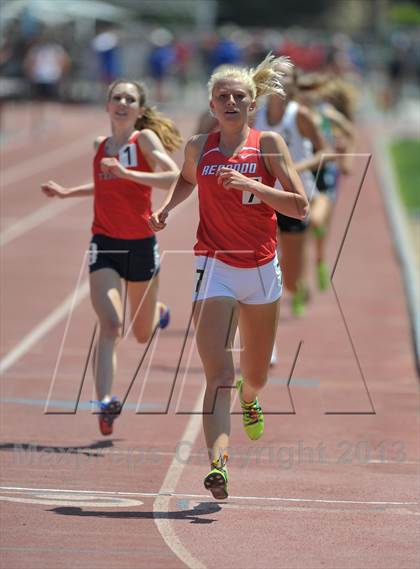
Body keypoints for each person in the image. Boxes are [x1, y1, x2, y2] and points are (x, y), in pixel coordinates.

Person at [150, 54, 308, 499]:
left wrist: (254, 187)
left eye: (239, 96)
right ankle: (218, 463)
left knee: (253, 374)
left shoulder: (269, 145)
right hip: (214, 266)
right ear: (213, 104)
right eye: (223, 96)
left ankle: (251, 397)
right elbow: (186, 180)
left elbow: (300, 206)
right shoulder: (200, 146)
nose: (232, 101)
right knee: (218, 373)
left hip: (260, 269)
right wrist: (166, 208)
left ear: (252, 104)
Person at [41, 80, 181, 435]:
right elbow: (105, 184)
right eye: (116, 97)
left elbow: (173, 177)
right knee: (110, 324)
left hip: (140, 245)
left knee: (141, 332)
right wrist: (67, 191)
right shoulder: (100, 145)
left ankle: (159, 311)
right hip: (104, 243)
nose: (122, 102)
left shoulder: (143, 141)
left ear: (139, 109)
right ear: (107, 105)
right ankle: (105, 402)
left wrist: (128, 172)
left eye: (129, 99)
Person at [253, 64, 331, 316]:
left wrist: (294, 167)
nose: (281, 80)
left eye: (287, 76)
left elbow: (324, 151)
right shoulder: (256, 116)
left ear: (294, 84)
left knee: (290, 276)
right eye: (276, 75)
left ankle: (298, 287)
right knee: (259, 255)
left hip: (295, 197)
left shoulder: (300, 115)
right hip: (264, 196)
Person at [297, 73, 355, 290]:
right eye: (303, 90)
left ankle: (320, 261)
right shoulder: (294, 114)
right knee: (302, 229)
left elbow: (351, 133)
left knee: (317, 224)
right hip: (303, 175)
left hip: (325, 176)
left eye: (312, 90)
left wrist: (346, 160)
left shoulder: (326, 114)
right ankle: (300, 281)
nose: (308, 95)